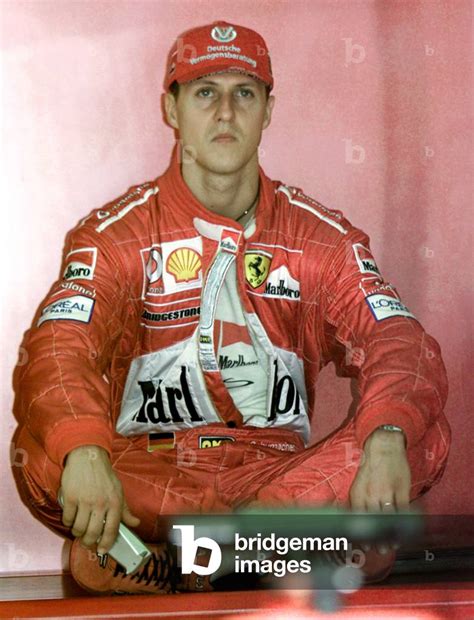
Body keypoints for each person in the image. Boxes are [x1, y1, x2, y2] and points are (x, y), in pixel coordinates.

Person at [12, 20, 450, 595]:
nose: (225, 112)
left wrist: (388, 433)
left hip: (277, 480)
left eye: (244, 93)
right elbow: (57, 349)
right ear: (172, 109)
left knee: (422, 434)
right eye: (204, 92)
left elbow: (401, 340)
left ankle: (176, 562)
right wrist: (85, 447)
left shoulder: (323, 239)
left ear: (269, 109)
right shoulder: (112, 235)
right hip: (152, 476)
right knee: (44, 453)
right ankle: (275, 555)